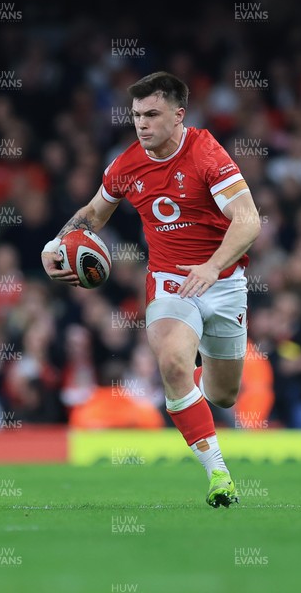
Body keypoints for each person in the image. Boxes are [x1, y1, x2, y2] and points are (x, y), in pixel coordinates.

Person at [41, 71, 260, 508]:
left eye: (152, 114)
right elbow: (93, 214)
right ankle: (219, 475)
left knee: (222, 394)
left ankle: (192, 398)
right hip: (168, 281)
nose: (142, 123)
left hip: (223, 279)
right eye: (137, 114)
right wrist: (56, 245)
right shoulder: (126, 165)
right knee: (174, 363)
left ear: (179, 116)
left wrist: (213, 267)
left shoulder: (206, 154)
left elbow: (249, 219)